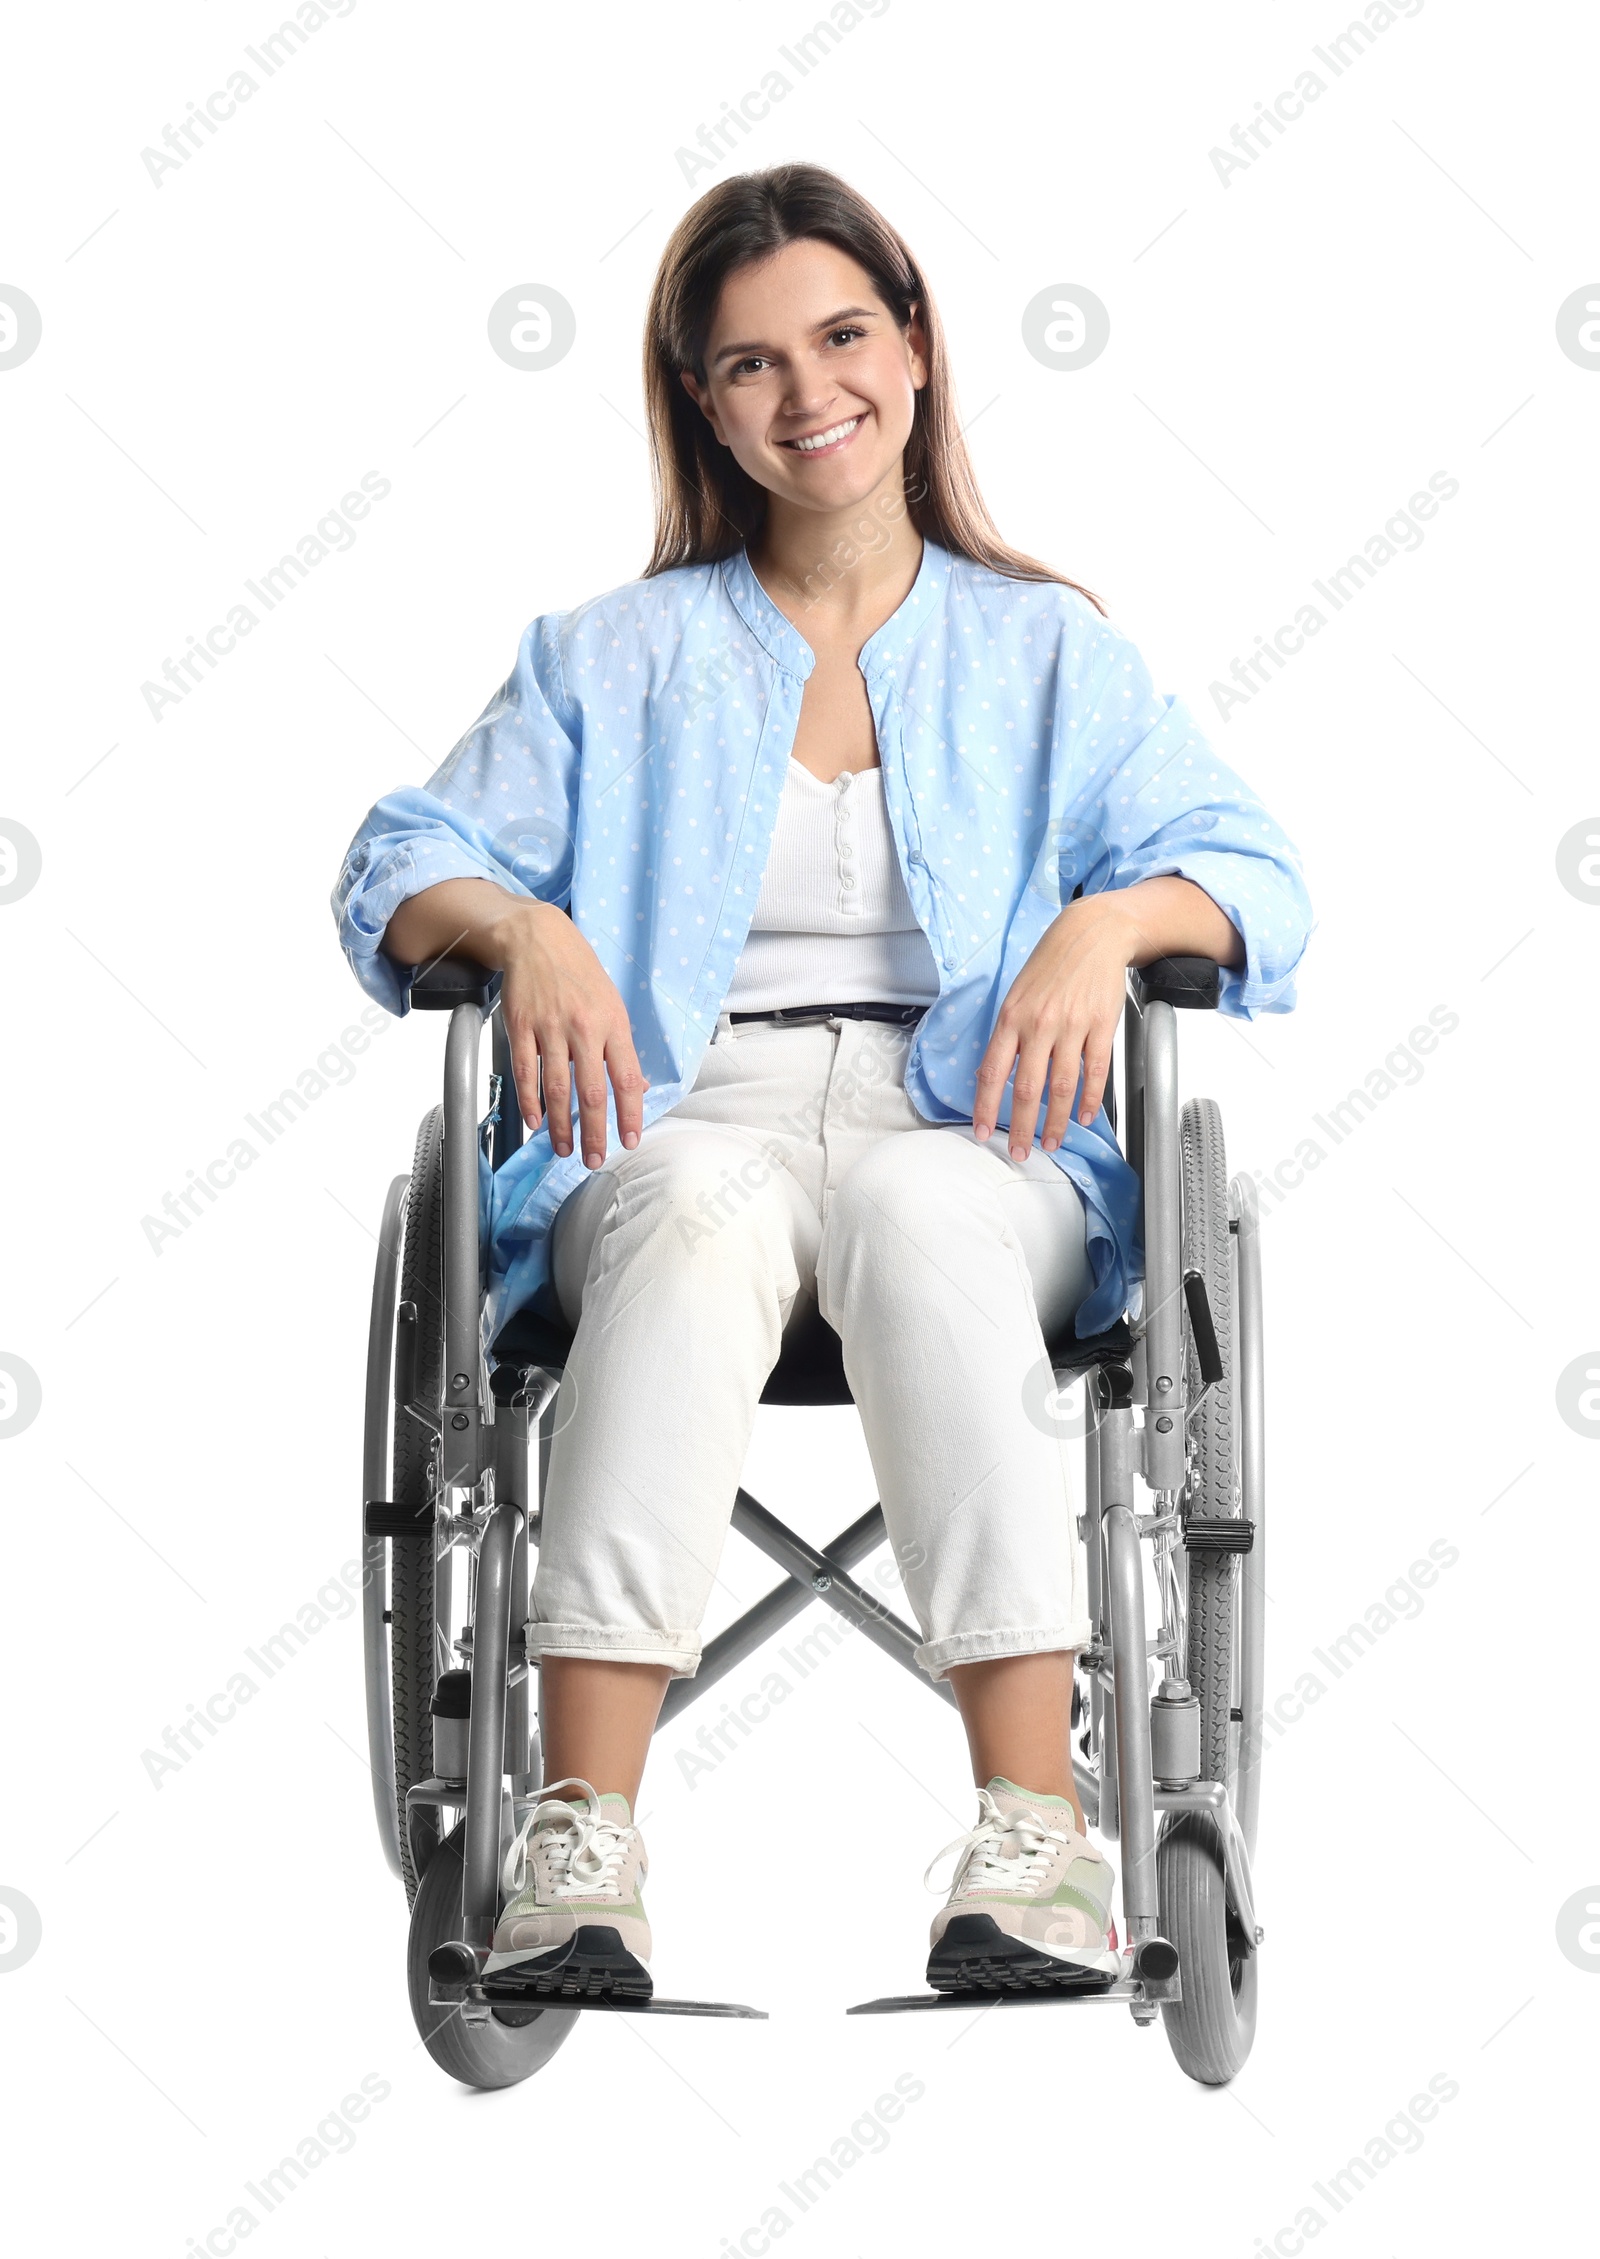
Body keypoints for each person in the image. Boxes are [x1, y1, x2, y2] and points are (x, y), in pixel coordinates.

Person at [333, 163, 1313, 2001]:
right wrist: (524, 933)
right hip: (679, 1119)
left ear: (919, 350)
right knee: (697, 1215)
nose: (809, 395)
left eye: (844, 336)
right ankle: (583, 1840)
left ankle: (1037, 1830)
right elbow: (398, 863)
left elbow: (1259, 879)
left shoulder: (1047, 652)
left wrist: (1103, 930)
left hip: (973, 1138)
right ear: (701, 404)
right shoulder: (605, 660)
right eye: (750, 365)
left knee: (927, 1212)